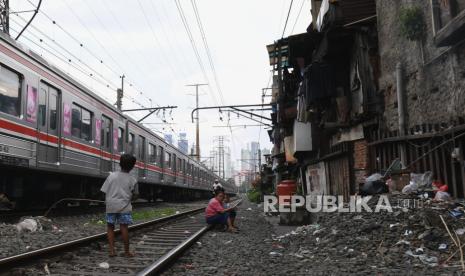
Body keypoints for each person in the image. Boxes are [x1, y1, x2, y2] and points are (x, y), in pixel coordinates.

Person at [101, 154, 138, 257]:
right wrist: (131, 198)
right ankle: (126, 252)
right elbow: (136, 195)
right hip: (125, 207)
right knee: (124, 228)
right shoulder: (133, 179)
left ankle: (112, 251)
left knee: (110, 227)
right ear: (132, 166)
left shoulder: (111, 176)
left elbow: (104, 190)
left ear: (119, 164)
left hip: (111, 206)